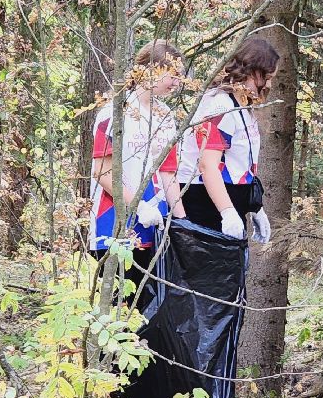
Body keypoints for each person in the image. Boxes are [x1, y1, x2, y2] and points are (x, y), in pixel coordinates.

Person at [88, 40, 187, 298]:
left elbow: (168, 173)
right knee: (118, 300)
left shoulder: (166, 116)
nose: (177, 82)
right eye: (173, 74)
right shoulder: (114, 113)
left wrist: (182, 221)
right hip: (114, 224)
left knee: (148, 307)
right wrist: (138, 207)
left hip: (155, 224)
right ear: (152, 69)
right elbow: (101, 171)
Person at [175, 36, 278, 243]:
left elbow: (241, 162)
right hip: (205, 201)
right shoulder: (220, 106)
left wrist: (255, 207)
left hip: (230, 200)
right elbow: (208, 165)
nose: (268, 84)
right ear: (249, 71)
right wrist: (227, 212)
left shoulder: (243, 105)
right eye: (265, 77)